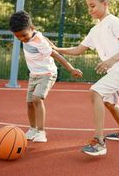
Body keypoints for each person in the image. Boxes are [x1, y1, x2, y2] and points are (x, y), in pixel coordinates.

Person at [53, 0, 119, 156]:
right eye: (88, 6)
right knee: (109, 103)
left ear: (105, 4)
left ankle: (99, 142)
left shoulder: (114, 22)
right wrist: (56, 49)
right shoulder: (95, 30)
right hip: (115, 70)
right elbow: (78, 49)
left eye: (92, 6)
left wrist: (110, 60)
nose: (89, 9)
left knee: (95, 92)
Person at [9, 10, 83, 142]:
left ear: (32, 28)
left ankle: (41, 132)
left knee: (37, 99)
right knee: (29, 103)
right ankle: (32, 129)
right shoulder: (31, 35)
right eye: (18, 37)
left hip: (47, 74)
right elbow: (41, 36)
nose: (22, 39)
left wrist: (71, 69)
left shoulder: (39, 41)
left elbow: (56, 55)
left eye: (24, 36)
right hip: (34, 75)